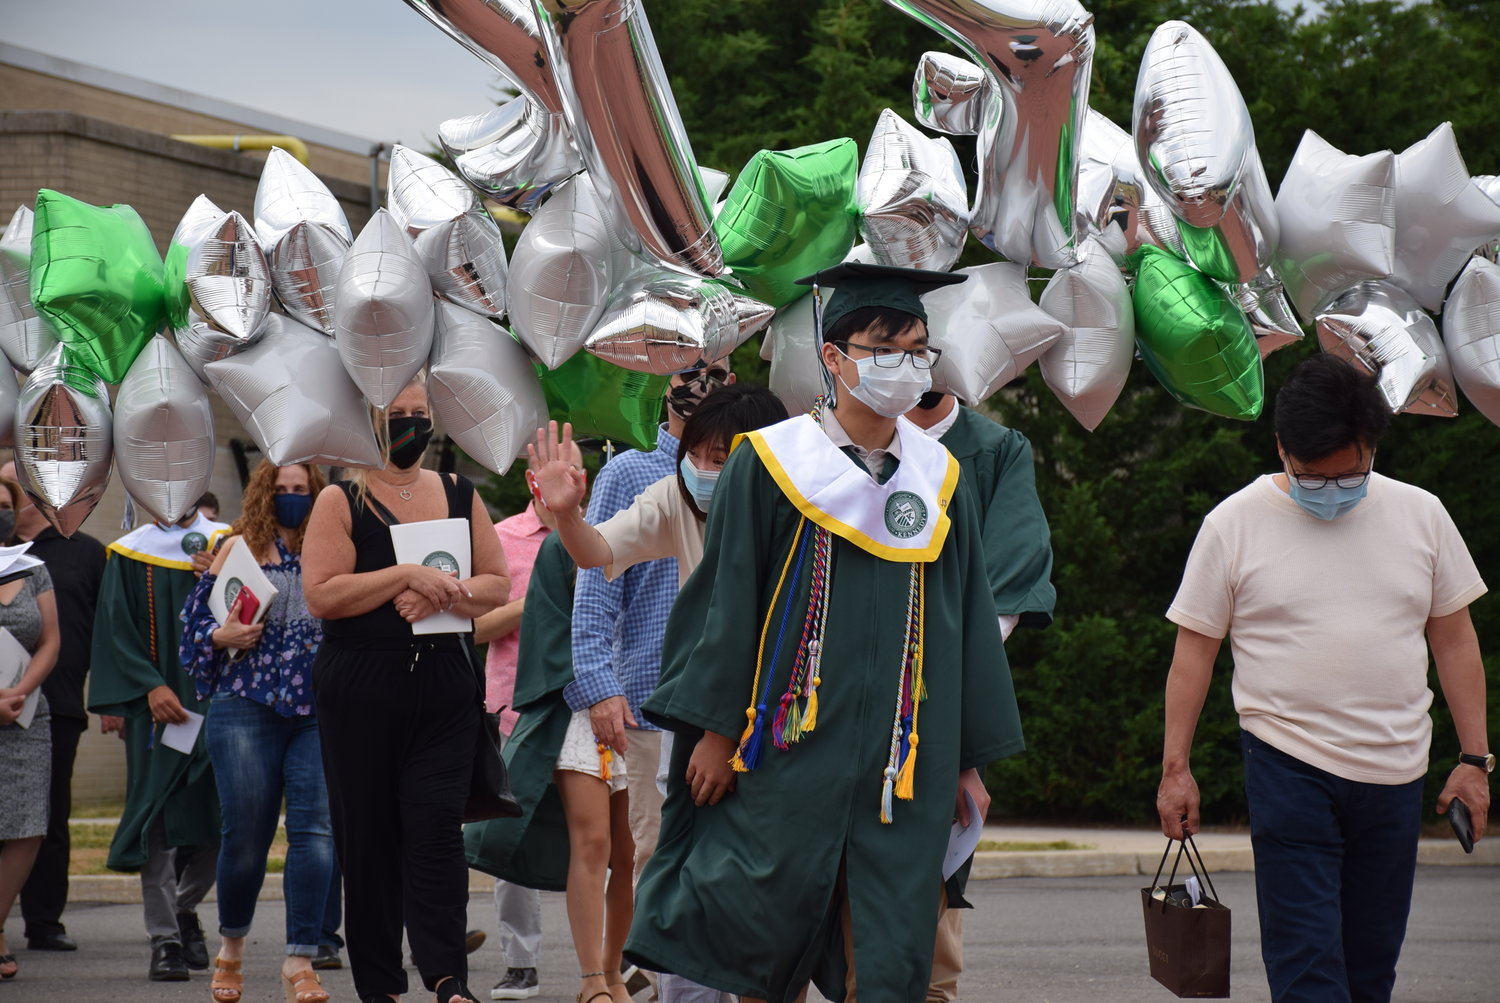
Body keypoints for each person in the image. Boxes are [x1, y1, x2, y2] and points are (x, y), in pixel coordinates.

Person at [623, 263, 1024, 1003]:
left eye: (918, 348)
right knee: (762, 942)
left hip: (899, 762)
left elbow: (966, 622)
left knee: (887, 950)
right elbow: (728, 601)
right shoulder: (772, 466)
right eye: (885, 346)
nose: (905, 365)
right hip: (783, 752)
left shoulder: (940, 479)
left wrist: (968, 759)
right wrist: (712, 730)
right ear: (834, 358)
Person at [1157, 354, 1490, 1003]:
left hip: (1396, 770)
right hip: (1288, 763)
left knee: (1371, 969)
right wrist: (1176, 767)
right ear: (1282, 446)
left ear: (1372, 446)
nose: (1333, 490)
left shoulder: (1422, 515)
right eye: (1314, 477)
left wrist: (1474, 758)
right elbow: (1193, 651)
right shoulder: (1233, 524)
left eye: (1350, 473)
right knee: (1308, 964)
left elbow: (1454, 639)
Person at [530, 384, 789, 1003]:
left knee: (769, 898)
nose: (703, 471)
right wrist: (567, 515)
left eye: (722, 458)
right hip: (689, 725)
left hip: (781, 728)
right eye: (695, 454)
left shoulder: (806, 509)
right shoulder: (675, 496)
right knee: (677, 880)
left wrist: (727, 735)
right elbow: (598, 553)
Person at [302, 376, 510, 1003]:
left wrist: (443, 589)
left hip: (444, 687)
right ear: (371, 420)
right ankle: (381, 986)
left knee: (437, 830)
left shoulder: (458, 491)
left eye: (420, 414)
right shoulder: (340, 501)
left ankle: (448, 979)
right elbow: (323, 595)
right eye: (398, 414)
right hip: (360, 689)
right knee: (369, 839)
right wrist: (402, 576)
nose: (411, 425)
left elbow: (496, 583)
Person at [903, 391, 1055, 1002]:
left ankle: (935, 988)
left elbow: (1010, 575)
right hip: (841, 690)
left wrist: (940, 664)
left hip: (946, 690)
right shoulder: (832, 444)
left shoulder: (994, 450)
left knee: (937, 858)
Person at [179, 461, 340, 1003]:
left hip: (317, 708)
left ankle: (300, 958)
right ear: (263, 494)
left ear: (317, 496)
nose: (292, 497)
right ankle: (232, 948)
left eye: (302, 490)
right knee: (246, 836)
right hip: (245, 704)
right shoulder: (236, 549)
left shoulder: (335, 549)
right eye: (282, 489)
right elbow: (194, 627)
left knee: (315, 833)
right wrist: (223, 635)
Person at [88, 503, 230, 981]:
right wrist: (149, 686)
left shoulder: (228, 541)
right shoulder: (128, 554)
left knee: (221, 822)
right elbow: (115, 630)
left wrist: (223, 577)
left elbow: (263, 615)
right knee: (159, 822)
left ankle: (185, 906)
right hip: (161, 706)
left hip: (223, 701)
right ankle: (165, 938)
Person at [1, 460, 106, 954]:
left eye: (12, 494)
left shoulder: (83, 554)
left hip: (55, 703)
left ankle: (44, 920)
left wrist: (111, 700)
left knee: (47, 817)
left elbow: (105, 632)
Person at [472, 474, 557, 1001]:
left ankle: (617, 961)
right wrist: (533, 603)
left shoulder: (596, 535)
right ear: (533, 479)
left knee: (602, 840)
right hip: (513, 709)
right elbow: (475, 628)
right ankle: (520, 963)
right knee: (509, 837)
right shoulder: (501, 537)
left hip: (585, 706)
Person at [0, 477, 61, 982]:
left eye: (4, 505)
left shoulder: (32, 567)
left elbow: (50, 639)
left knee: (27, 826)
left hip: (26, 714)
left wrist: (20, 692)